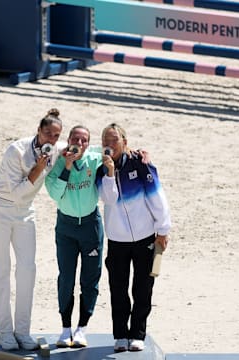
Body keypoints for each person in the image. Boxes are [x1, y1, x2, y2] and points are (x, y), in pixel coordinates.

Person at [0, 108, 65, 351]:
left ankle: (23, 330)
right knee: (1, 269)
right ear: (38, 131)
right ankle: (5, 331)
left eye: (56, 136)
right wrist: (38, 168)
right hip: (0, 209)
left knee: (27, 270)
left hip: (25, 212)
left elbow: (81, 149)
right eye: (48, 134)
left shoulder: (55, 150)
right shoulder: (15, 150)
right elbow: (17, 194)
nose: (51, 139)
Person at [95, 123, 171, 352]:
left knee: (143, 287)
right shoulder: (101, 171)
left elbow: (156, 196)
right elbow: (109, 199)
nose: (109, 145)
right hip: (117, 240)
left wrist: (163, 229)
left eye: (114, 140)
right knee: (118, 288)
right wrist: (109, 172)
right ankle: (120, 334)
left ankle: (138, 333)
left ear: (125, 142)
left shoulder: (141, 164)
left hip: (145, 236)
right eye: (106, 141)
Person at [44, 125, 103, 348]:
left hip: (90, 226)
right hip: (66, 227)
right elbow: (55, 194)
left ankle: (82, 328)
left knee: (90, 279)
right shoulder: (57, 164)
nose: (79, 143)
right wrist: (67, 166)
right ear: (68, 140)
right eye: (75, 139)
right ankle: (65, 327)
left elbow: (113, 150)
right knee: (66, 278)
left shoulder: (94, 159)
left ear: (88, 143)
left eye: (84, 140)